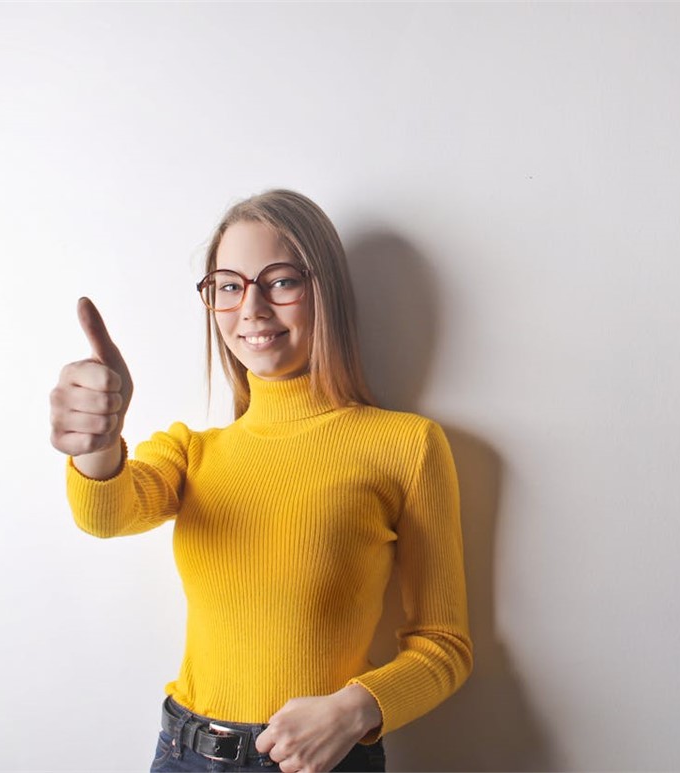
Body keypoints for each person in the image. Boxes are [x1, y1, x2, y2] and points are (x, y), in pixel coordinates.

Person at [49, 189, 473, 773]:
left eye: (279, 281)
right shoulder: (191, 452)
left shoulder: (407, 446)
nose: (251, 308)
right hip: (184, 754)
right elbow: (107, 515)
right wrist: (97, 445)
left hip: (323, 761)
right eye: (228, 285)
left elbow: (443, 645)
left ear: (325, 291)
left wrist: (355, 711)